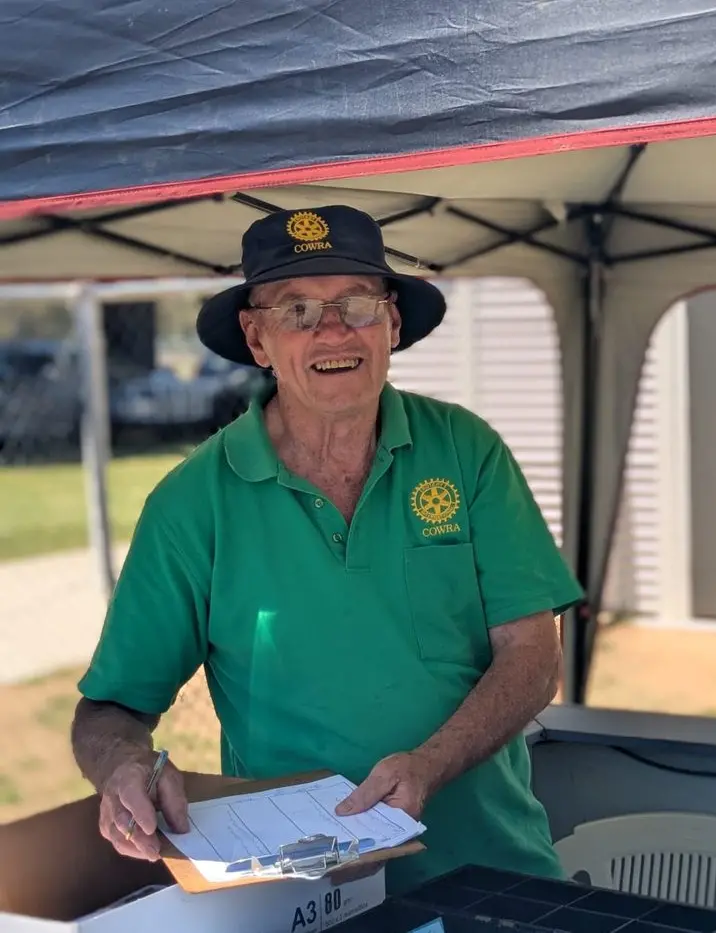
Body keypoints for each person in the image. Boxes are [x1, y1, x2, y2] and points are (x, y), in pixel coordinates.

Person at [70, 205, 583, 895]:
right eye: (298, 309)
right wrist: (123, 768)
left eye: (357, 303)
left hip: (490, 868)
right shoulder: (193, 502)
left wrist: (431, 763)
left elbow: (533, 650)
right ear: (256, 337)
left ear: (393, 324)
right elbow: (109, 709)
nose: (334, 329)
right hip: (304, 891)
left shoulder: (467, 451)